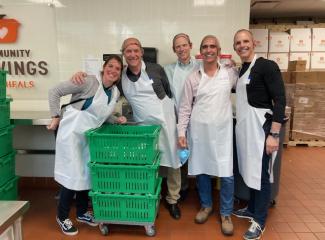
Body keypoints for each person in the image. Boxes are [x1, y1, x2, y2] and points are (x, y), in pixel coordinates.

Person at [71, 38, 182, 220]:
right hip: (143, 126)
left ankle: (173, 200)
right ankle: (150, 195)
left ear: (141, 52)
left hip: (166, 121)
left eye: (135, 50)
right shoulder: (121, 76)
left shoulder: (156, 69)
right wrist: (80, 76)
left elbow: (169, 93)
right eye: (128, 51)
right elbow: (102, 83)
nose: (132, 54)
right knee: (148, 163)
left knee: (172, 161)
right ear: (124, 54)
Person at [47, 55, 127, 236]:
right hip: (71, 135)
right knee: (71, 175)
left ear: (120, 74)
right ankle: (62, 216)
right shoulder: (89, 82)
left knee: (86, 173)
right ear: (103, 68)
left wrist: (117, 120)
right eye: (111, 66)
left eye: (117, 69)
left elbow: (101, 114)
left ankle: (82, 213)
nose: (113, 70)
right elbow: (54, 91)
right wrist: (55, 116)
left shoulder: (114, 92)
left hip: (89, 138)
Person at [177, 35, 236, 236]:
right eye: (205, 47)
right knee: (202, 170)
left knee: (226, 173)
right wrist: (181, 132)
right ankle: (206, 205)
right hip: (200, 133)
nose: (209, 50)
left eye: (213, 46)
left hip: (223, 134)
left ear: (219, 50)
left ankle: (226, 213)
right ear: (200, 51)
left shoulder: (230, 74)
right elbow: (185, 107)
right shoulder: (193, 78)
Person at [232, 29, 286, 240]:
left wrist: (273, 134)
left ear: (253, 42)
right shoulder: (243, 69)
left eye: (245, 41)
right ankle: (252, 209)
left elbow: (280, 101)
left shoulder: (266, 66)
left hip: (262, 129)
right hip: (246, 129)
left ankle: (259, 221)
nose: (242, 45)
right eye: (238, 43)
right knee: (251, 170)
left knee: (262, 175)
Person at [164, 33, 200, 201]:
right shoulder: (168, 69)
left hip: (199, 119)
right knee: (178, 155)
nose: (181, 49)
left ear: (190, 45)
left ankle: (200, 192)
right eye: (178, 46)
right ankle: (177, 193)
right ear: (174, 49)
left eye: (184, 45)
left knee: (198, 155)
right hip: (177, 118)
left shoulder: (201, 65)